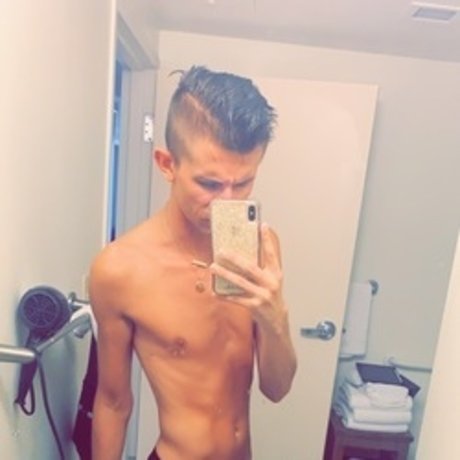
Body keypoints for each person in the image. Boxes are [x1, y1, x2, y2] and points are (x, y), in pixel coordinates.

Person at [90, 66, 297, 460]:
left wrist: (276, 319)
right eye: (209, 184)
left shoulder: (261, 251)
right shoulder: (120, 270)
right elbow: (113, 403)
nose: (227, 202)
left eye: (244, 182)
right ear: (167, 164)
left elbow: (277, 389)